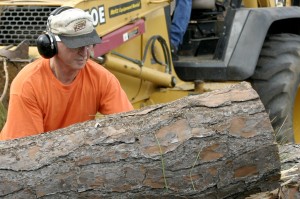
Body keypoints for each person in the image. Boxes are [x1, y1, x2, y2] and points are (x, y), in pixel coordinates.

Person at [0, 7, 133, 141]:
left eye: (88, 44)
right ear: (50, 44)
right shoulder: (28, 85)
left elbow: (130, 127)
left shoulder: (102, 79)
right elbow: (26, 153)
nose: (84, 52)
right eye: (76, 45)